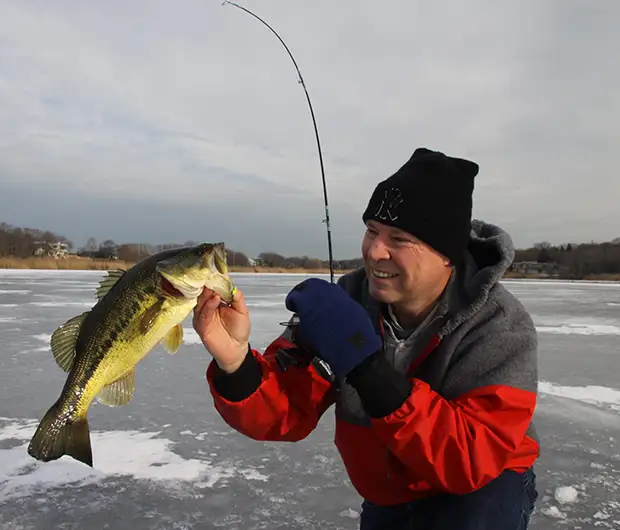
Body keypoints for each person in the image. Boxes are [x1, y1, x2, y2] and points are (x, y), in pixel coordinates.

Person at [192, 147, 540, 529]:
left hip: (481, 489)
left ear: (447, 256)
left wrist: (366, 367)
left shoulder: (499, 326)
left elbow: (471, 459)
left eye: (399, 239)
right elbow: (284, 412)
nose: (375, 252)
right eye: (372, 230)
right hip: (388, 490)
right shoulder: (343, 305)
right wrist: (235, 363)